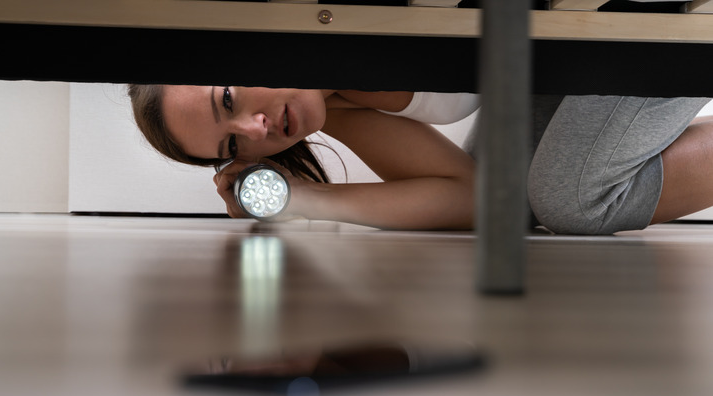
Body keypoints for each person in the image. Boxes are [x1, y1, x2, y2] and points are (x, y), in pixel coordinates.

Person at [128, 84, 713, 235]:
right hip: (554, 50)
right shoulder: (332, 106)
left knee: (573, 201)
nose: (255, 131)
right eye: (233, 145)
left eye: (227, 99)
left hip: (618, 13)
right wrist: (299, 200)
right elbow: (483, 201)